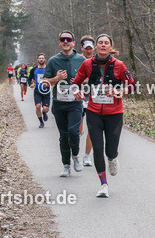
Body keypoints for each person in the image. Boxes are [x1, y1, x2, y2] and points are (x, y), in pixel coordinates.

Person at [71, 34, 135, 198]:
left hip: (114, 114)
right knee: (97, 149)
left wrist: (119, 91)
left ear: (110, 47)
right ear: (96, 46)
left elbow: (132, 86)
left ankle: (113, 158)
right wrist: (76, 91)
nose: (103, 45)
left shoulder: (119, 65)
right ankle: (103, 184)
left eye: (106, 43)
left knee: (110, 150)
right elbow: (75, 83)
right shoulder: (87, 64)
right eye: (100, 43)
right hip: (94, 113)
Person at [43, 31, 86, 177]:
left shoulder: (81, 59)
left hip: (75, 103)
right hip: (59, 104)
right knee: (63, 135)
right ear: (59, 42)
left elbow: (91, 79)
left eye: (69, 39)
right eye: (63, 39)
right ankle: (66, 166)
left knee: (74, 132)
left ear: (74, 43)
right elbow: (44, 82)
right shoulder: (53, 61)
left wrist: (80, 82)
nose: (66, 41)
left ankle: (76, 156)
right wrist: (56, 78)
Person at [78, 37, 96, 166]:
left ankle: (86, 155)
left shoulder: (97, 61)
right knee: (77, 129)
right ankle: (75, 150)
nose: (88, 51)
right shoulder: (77, 60)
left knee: (92, 128)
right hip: (78, 97)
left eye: (90, 48)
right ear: (82, 48)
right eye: (86, 48)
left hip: (93, 97)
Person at [28, 54, 50, 127]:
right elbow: (29, 78)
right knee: (38, 106)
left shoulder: (48, 69)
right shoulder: (34, 69)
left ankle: (44, 112)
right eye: (40, 58)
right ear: (37, 60)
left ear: (45, 60)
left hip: (46, 91)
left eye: (42, 58)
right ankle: (41, 122)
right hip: (37, 90)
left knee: (45, 109)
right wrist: (30, 84)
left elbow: (53, 78)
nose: (41, 59)